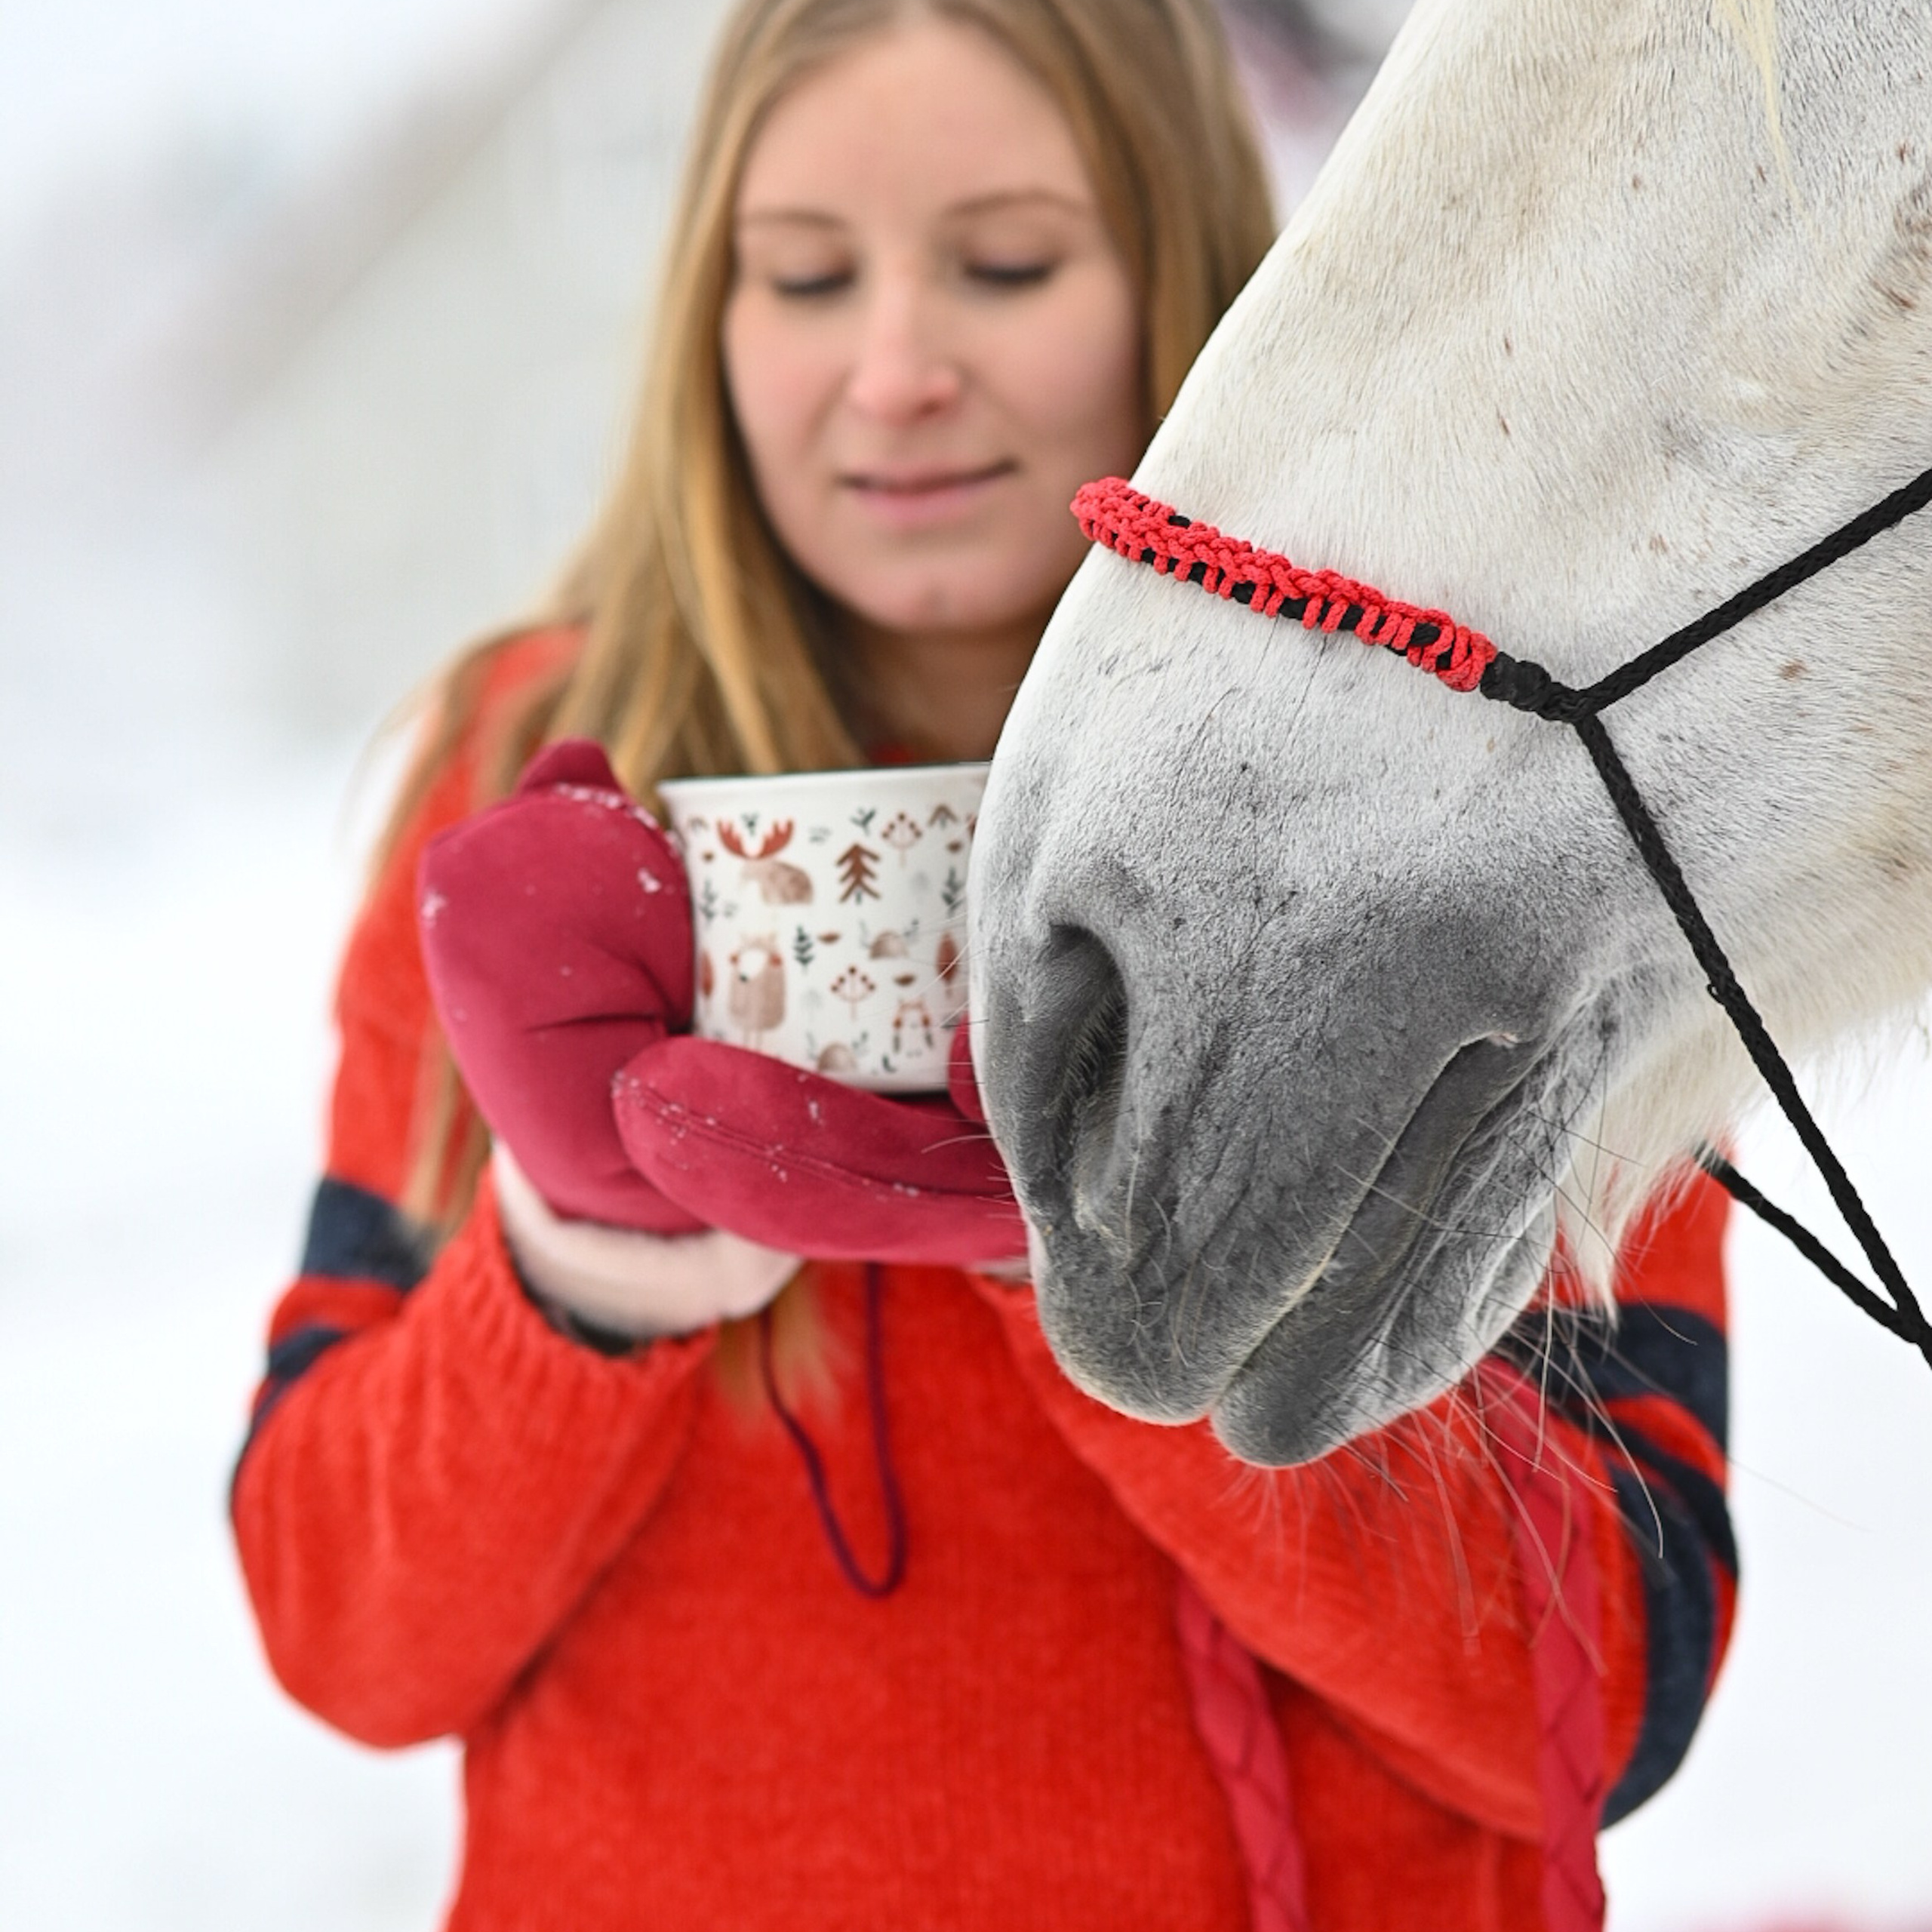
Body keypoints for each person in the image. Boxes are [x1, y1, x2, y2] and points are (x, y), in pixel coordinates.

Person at [232, 2, 1738, 1927]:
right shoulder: (529, 789)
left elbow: (1601, 1688)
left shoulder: (1462, 778)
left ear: (1179, 266)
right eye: (801, 275)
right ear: (711, 305)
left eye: (1005, 263)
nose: (892, 371)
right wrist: (573, 1278)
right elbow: (343, 1632)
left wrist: (1125, 1279)